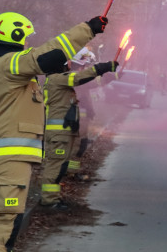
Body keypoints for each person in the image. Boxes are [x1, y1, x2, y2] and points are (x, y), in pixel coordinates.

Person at [0, 11, 108, 252]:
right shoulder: (8, 63)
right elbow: (47, 53)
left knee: (12, 217)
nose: (27, 45)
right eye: (25, 38)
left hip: (10, 156)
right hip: (8, 157)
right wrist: (88, 29)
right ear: (14, 35)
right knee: (5, 216)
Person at [40, 47, 117, 208]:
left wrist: (106, 74)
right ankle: (49, 200)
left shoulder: (59, 78)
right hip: (59, 132)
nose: (68, 65)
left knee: (60, 166)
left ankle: (53, 197)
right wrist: (102, 68)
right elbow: (80, 78)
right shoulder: (58, 79)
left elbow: (83, 80)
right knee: (55, 166)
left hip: (63, 131)